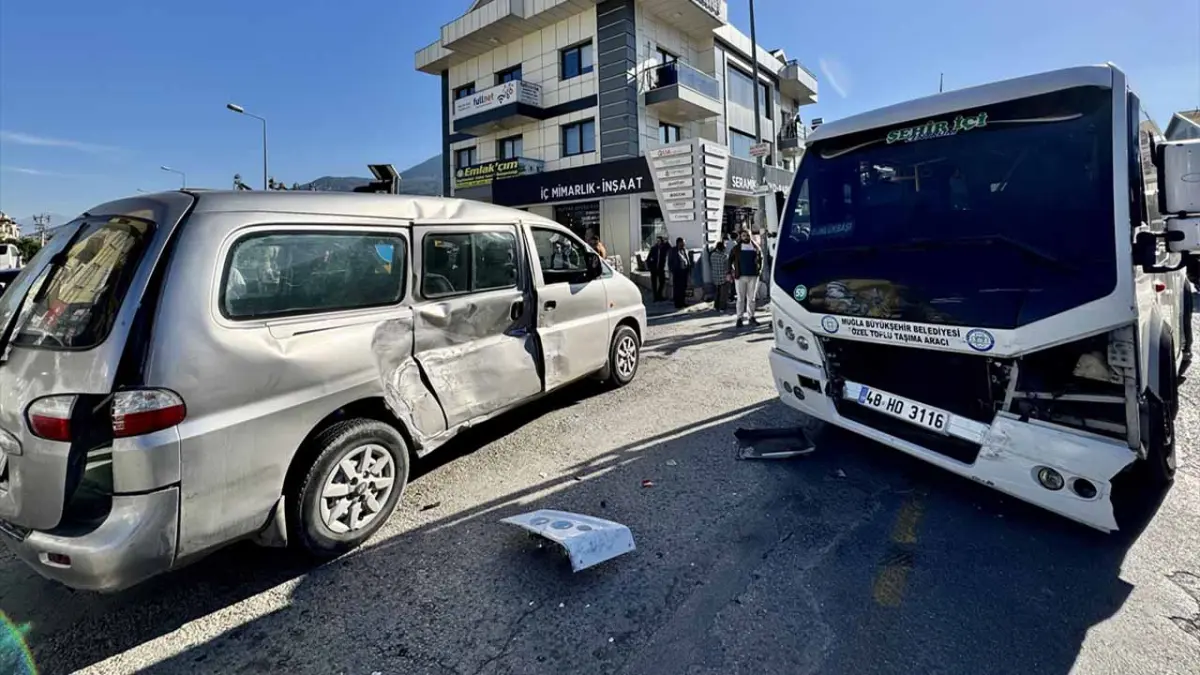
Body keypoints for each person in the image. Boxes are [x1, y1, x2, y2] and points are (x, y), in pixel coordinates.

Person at [729, 229, 763, 327]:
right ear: (741, 236)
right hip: (740, 277)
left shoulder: (756, 247)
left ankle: (751, 317)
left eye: (747, 235)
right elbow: (730, 260)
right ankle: (739, 318)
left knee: (751, 298)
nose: (746, 237)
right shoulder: (736, 248)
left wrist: (759, 270)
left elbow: (761, 259)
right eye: (744, 235)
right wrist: (731, 271)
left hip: (753, 276)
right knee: (740, 298)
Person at [667, 237, 692, 309]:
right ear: (679, 243)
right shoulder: (673, 251)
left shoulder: (684, 250)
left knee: (683, 288)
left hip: (684, 272)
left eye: (684, 242)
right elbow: (670, 262)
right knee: (677, 288)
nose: (684, 244)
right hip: (677, 272)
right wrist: (673, 271)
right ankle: (677, 304)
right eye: (683, 242)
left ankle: (683, 302)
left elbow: (687, 260)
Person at [646, 236, 671, 302]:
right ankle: (655, 297)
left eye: (659, 241)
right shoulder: (653, 248)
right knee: (654, 284)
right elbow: (648, 259)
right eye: (657, 241)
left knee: (662, 282)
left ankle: (659, 295)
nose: (658, 242)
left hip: (660, 268)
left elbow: (670, 247)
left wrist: (667, 241)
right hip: (654, 269)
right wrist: (650, 267)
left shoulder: (664, 248)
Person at [709, 242, 731, 312]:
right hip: (724, 277)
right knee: (723, 294)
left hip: (715, 277)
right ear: (722, 248)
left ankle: (716, 306)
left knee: (717, 293)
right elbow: (728, 267)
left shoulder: (712, 255)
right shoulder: (725, 256)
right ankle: (722, 308)